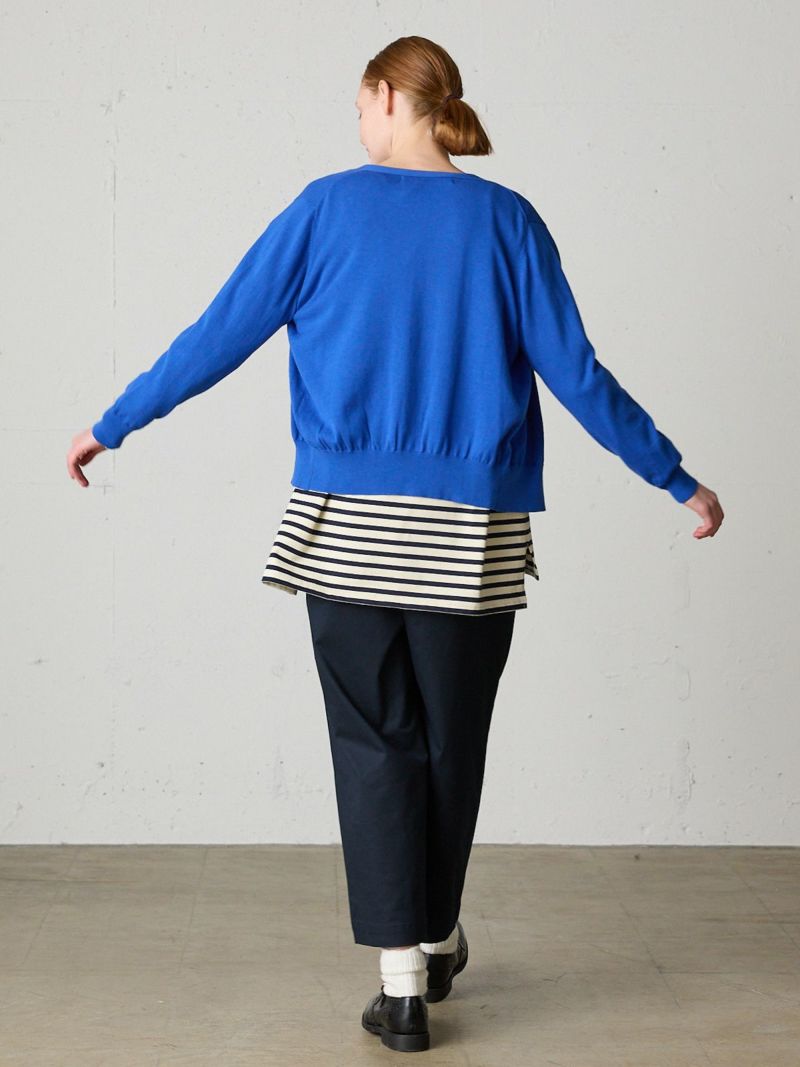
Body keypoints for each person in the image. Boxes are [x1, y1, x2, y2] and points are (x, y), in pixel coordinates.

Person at [66, 34, 724, 1055]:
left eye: (359, 104)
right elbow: (577, 373)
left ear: (384, 96)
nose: (357, 124)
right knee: (451, 742)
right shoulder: (505, 220)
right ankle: (435, 929)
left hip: (347, 530)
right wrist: (672, 475)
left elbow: (217, 333)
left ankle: (403, 982)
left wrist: (114, 423)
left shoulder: (324, 209)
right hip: (471, 536)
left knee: (376, 742)